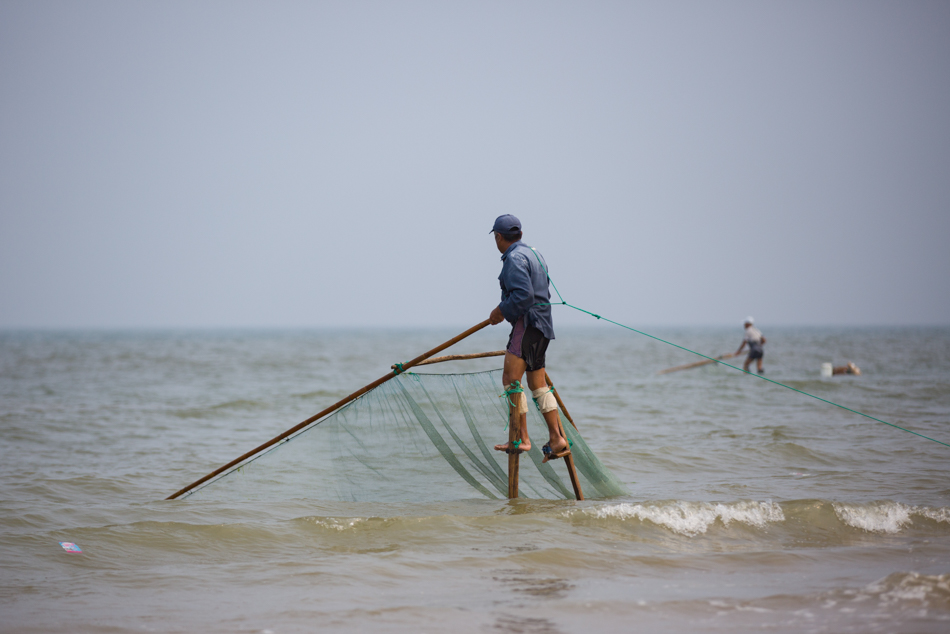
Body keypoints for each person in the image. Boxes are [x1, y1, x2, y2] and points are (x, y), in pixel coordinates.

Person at [488, 214, 570, 463]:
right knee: (537, 383)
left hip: (528, 323)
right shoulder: (535, 253)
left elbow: (523, 296)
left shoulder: (513, 258)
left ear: (499, 237)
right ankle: (557, 439)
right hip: (544, 324)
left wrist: (500, 311)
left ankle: (522, 438)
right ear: (521, 235)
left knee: (511, 379)